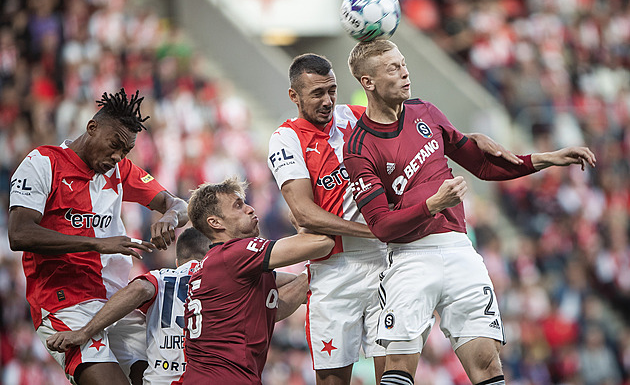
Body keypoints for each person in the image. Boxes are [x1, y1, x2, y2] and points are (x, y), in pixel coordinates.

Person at [343, 39, 596, 385]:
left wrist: (546, 159)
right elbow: (382, 226)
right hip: (409, 258)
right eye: (393, 68)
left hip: (461, 252)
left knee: (488, 366)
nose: (405, 72)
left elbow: (484, 165)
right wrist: (431, 205)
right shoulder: (358, 146)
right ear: (367, 82)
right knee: (398, 366)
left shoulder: (426, 112)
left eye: (403, 64)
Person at [267, 53, 524, 385]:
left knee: (392, 372)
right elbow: (304, 213)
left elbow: (419, 130)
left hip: (384, 263)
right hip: (334, 269)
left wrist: (470, 138)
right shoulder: (286, 139)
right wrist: (374, 228)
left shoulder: (355, 117)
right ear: (294, 96)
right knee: (332, 379)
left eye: (332, 90)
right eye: (317, 94)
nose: (328, 100)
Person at [8, 88, 189, 385]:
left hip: (116, 303)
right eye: (114, 145)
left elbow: (178, 204)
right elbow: (19, 233)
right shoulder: (43, 162)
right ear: (92, 128)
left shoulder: (119, 170)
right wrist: (97, 244)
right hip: (65, 303)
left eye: (125, 151)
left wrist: (169, 218)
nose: (117, 157)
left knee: (164, 377)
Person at [182, 177, 335, 384]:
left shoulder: (219, 265)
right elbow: (322, 243)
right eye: (238, 206)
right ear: (215, 222)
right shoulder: (234, 254)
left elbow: (276, 305)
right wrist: (303, 220)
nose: (250, 209)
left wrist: (313, 275)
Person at [45, 227, 210, 384]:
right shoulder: (225, 283)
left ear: (177, 261)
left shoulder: (162, 278)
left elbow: (140, 288)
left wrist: (84, 332)